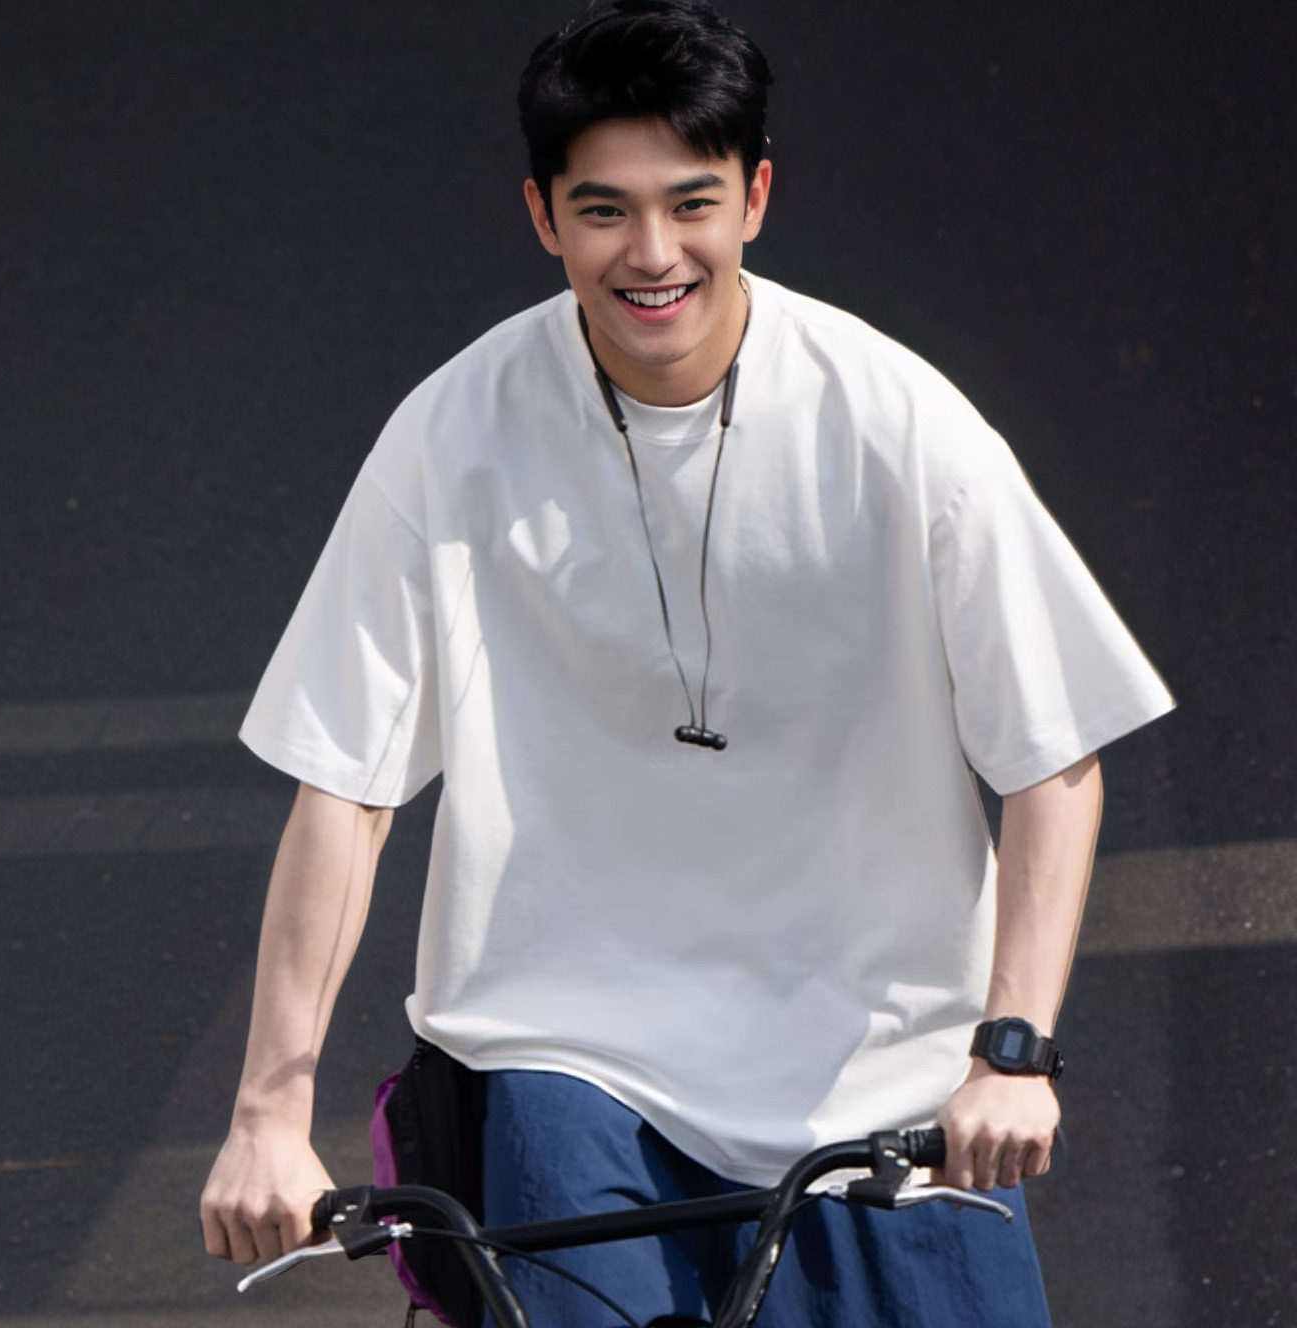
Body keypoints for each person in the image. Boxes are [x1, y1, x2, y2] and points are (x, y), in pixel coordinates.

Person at [200, 2, 1174, 1325]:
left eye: (692, 203)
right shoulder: (452, 436)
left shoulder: (899, 426)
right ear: (543, 216)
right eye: (603, 211)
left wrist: (1012, 1053)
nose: (652, 254)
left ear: (755, 198)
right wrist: (268, 1113)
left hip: (876, 1073)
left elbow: (1052, 756)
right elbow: (346, 785)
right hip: (571, 1060)